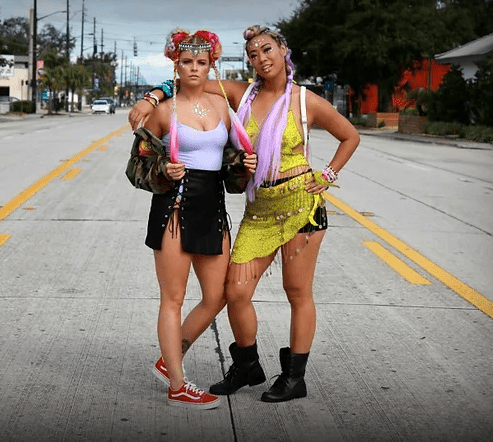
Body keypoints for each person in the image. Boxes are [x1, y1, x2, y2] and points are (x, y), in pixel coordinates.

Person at [130, 25, 360, 403]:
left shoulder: (306, 101)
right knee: (235, 291)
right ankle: (247, 365)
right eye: (253, 54)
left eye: (267, 49)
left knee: (297, 291)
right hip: (260, 211)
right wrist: (152, 96)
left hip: (301, 207)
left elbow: (350, 135)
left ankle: (294, 377)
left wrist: (329, 174)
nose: (260, 58)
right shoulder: (241, 94)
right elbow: (191, 78)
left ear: (283, 49)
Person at [137, 28, 256, 409]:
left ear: (211, 66)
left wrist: (244, 164)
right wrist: (162, 170)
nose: (193, 68)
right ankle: (177, 384)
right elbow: (138, 163)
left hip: (212, 208)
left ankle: (169, 356)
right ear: (176, 64)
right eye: (186, 61)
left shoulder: (221, 106)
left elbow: (229, 165)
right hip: (174, 208)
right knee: (172, 298)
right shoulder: (163, 111)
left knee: (218, 295)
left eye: (201, 62)